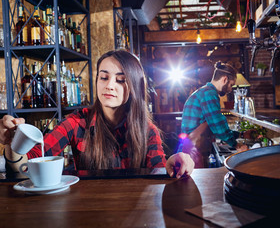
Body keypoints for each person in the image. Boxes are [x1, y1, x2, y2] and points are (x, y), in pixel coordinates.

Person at [0, 50, 194, 178]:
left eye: (120, 80)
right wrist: (12, 142)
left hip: (134, 210)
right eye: (104, 77)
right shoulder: (77, 122)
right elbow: (26, 168)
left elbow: (159, 171)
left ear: (134, 87)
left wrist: (175, 164)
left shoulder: (147, 130)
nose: (109, 85)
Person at [180, 61, 246, 167]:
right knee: (197, 183)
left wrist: (241, 135)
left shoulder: (204, 92)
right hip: (194, 151)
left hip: (192, 148)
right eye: (231, 85)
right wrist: (237, 145)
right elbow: (218, 127)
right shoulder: (209, 94)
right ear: (224, 79)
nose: (230, 89)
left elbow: (213, 126)